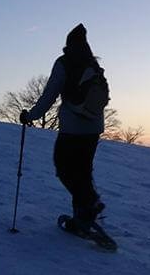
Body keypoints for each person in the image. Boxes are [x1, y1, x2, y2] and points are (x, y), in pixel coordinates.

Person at [20, 24, 108, 231]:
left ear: (68, 44)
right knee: (83, 171)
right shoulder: (93, 65)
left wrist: (30, 116)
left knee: (64, 168)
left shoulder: (64, 63)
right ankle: (83, 215)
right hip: (94, 128)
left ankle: (88, 204)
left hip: (72, 129)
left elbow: (50, 94)